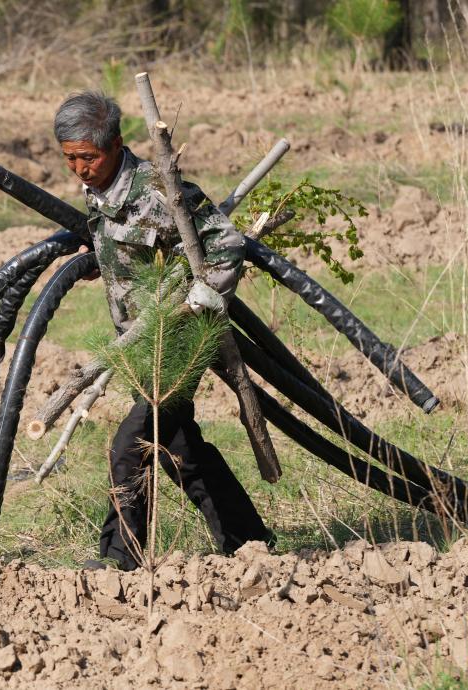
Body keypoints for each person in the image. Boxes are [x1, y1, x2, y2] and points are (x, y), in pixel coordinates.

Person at [53, 91, 274, 571]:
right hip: (138, 342)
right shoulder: (98, 192)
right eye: (70, 159)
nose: (79, 170)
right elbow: (126, 245)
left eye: (87, 158)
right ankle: (249, 540)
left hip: (178, 338)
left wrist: (203, 295)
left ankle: (120, 559)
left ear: (114, 145)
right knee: (181, 451)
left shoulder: (157, 188)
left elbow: (225, 243)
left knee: (130, 445)